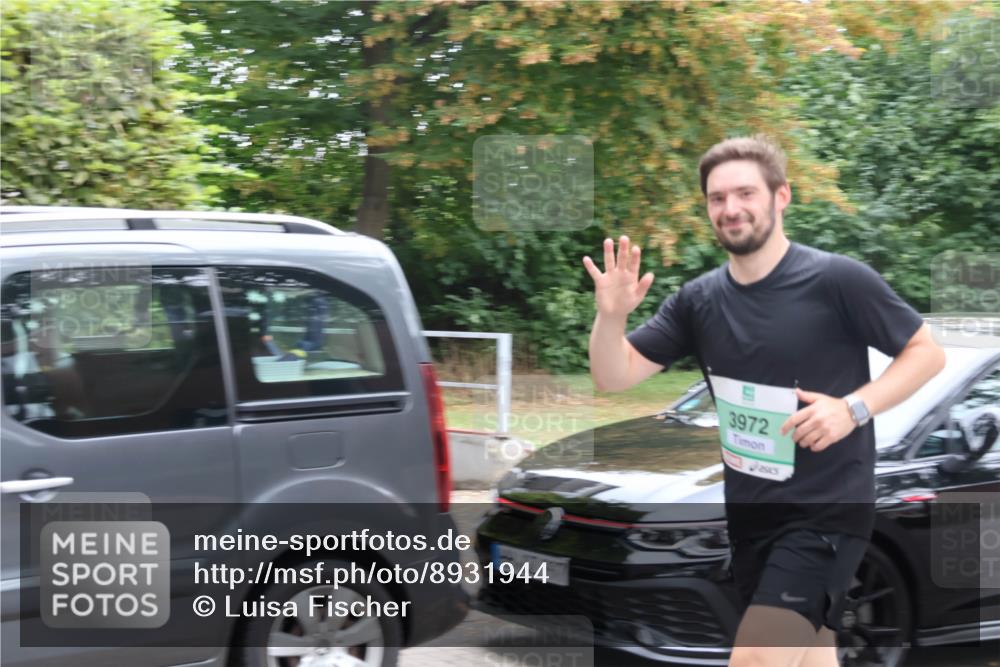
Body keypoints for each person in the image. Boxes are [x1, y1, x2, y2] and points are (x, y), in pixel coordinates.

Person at [583, 135, 945, 667]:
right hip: (752, 514)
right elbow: (613, 377)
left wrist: (851, 409)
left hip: (827, 510)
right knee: (810, 656)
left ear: (781, 197)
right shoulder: (698, 300)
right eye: (716, 198)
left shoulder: (836, 281)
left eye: (745, 193)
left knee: (756, 658)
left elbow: (925, 353)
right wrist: (611, 317)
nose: (730, 209)